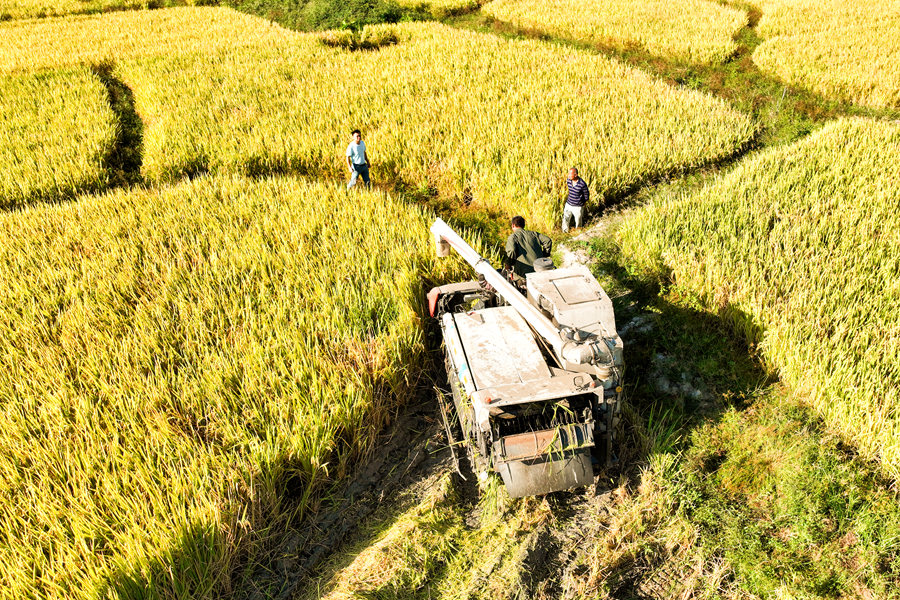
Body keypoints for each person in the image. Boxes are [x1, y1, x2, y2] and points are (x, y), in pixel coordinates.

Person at [563, 167, 589, 232]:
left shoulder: (582, 184)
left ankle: (578, 233)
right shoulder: (568, 180)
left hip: (577, 207)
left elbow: (586, 195)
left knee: (578, 221)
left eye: (570, 174)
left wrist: (582, 203)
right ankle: (565, 232)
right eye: (568, 173)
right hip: (568, 204)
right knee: (565, 219)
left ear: (575, 175)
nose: (568, 175)